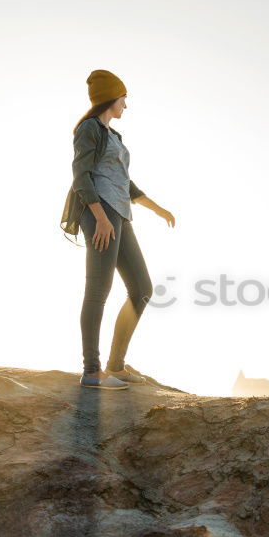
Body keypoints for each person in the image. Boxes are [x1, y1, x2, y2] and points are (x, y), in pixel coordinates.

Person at [63, 69, 176, 389]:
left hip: (121, 217)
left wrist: (158, 209)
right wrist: (99, 217)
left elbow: (127, 184)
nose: (126, 104)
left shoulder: (114, 136)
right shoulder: (89, 129)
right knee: (98, 291)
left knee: (142, 288)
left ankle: (116, 365)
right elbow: (80, 175)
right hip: (100, 214)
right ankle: (91, 370)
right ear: (111, 98)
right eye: (123, 98)